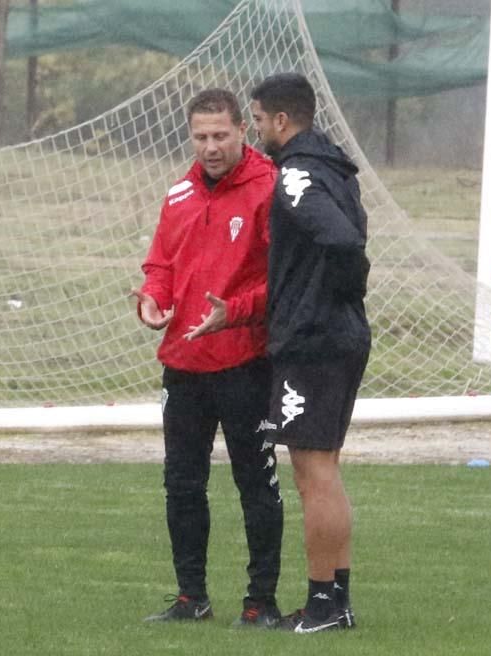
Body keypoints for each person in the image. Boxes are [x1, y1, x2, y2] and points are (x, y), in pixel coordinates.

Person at [133, 88, 284, 627]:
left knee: (256, 483)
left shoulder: (271, 189)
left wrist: (236, 311)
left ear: (243, 129)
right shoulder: (178, 194)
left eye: (221, 135)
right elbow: (161, 266)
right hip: (185, 364)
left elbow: (285, 281)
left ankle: (260, 601)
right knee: (181, 483)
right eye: (201, 137)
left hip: (246, 360)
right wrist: (153, 300)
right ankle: (189, 597)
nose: (211, 147)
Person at [249, 72, 371, 634]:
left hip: (314, 341)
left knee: (312, 472)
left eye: (257, 119)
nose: (256, 130)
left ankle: (323, 603)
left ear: (280, 120)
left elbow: (343, 241)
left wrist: (333, 296)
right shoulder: (334, 167)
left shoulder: (296, 173)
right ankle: (334, 601)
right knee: (322, 469)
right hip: (333, 334)